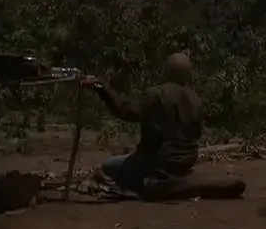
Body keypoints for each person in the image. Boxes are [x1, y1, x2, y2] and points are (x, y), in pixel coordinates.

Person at [83, 52, 203, 194]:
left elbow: (126, 111)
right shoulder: (196, 100)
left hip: (158, 164)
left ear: (167, 71)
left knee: (107, 166)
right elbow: (197, 134)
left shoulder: (156, 95)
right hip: (185, 163)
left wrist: (101, 86)